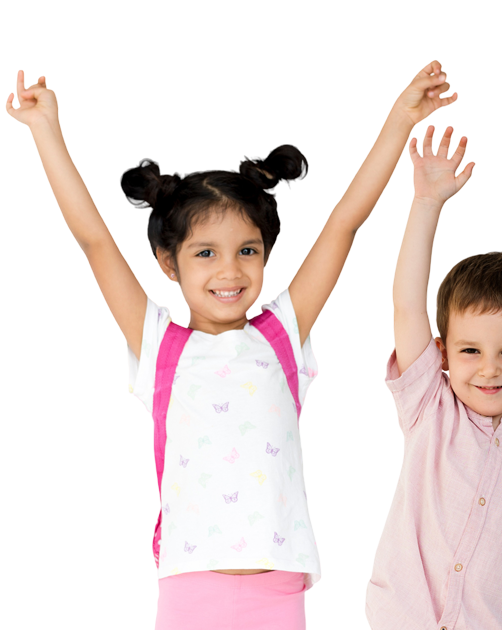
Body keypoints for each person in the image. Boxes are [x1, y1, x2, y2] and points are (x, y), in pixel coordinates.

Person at [6, 61, 460, 630]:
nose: (230, 270)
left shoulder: (281, 335)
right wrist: (47, 131)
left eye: (248, 250)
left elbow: (343, 224)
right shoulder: (159, 345)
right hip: (190, 589)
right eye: (206, 253)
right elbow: (95, 240)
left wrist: (398, 119)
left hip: (279, 588)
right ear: (169, 263)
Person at [365, 120, 502, 630]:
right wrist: (427, 202)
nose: (488, 368)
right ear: (442, 353)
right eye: (470, 350)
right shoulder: (429, 406)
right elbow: (404, 307)